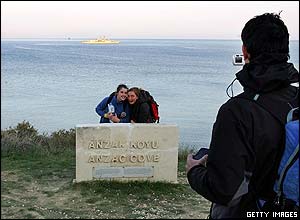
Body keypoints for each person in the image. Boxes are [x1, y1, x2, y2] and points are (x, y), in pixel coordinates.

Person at [186, 13, 299, 218]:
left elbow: (223, 189)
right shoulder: (296, 98)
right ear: (286, 51)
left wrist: (193, 171)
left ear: (245, 51)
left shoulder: (237, 111)